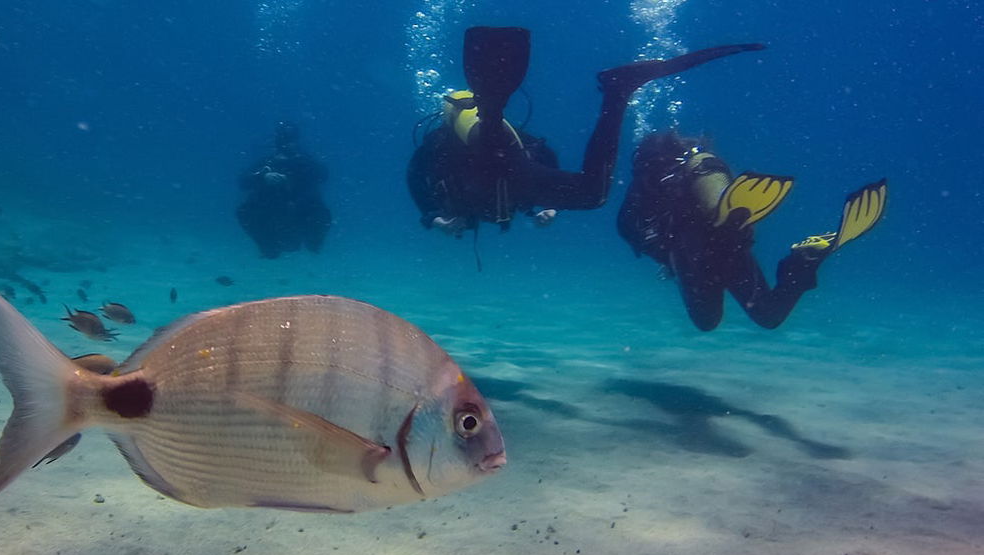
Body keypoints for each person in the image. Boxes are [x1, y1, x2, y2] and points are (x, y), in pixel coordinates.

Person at [407, 26, 764, 236]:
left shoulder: (436, 146)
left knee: (591, 194)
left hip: (503, 166)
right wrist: (547, 203)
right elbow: (538, 151)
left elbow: (418, 180)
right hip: (512, 165)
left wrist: (435, 217)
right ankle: (616, 91)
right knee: (590, 193)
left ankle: (615, 92)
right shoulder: (441, 147)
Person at [616, 131, 888, 330]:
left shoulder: (645, 186)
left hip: (693, 252)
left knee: (707, 321)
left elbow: (626, 227)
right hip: (728, 245)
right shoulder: (672, 174)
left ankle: (720, 204)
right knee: (768, 315)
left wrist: (664, 255)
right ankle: (802, 261)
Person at [237, 121, 331, 259]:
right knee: (244, 211)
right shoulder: (268, 163)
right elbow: (243, 183)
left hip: (302, 212)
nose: (288, 144)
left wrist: (303, 163)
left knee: (322, 215)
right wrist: (263, 176)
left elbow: (323, 175)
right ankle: (268, 246)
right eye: (284, 140)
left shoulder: (305, 161)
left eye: (291, 140)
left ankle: (313, 242)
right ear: (277, 142)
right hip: (273, 213)